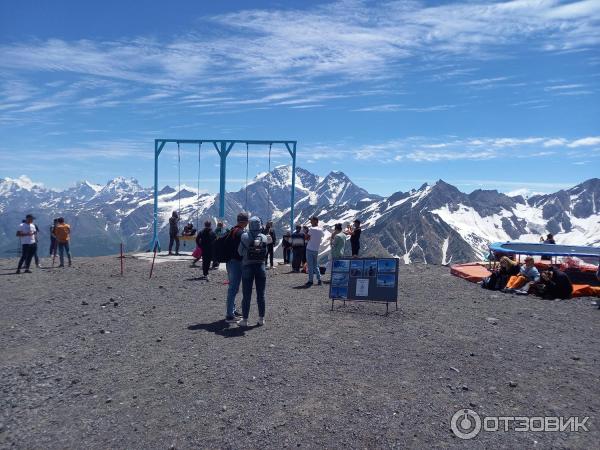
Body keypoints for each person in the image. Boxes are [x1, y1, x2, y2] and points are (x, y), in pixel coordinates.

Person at [237, 216, 268, 327]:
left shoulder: (245, 236)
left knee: (246, 294)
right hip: (260, 267)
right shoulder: (264, 237)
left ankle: (245, 320)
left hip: (247, 266)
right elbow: (265, 253)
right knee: (261, 294)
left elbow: (240, 252)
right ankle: (261, 319)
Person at [224, 212, 249, 323]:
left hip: (229, 261)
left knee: (232, 287)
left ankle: (232, 310)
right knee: (233, 288)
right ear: (246, 222)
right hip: (236, 262)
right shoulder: (241, 233)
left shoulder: (232, 230)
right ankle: (229, 315)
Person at [305, 216, 324, 287]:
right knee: (315, 265)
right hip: (316, 249)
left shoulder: (311, 229)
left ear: (315, 221)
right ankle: (319, 279)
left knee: (310, 266)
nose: (310, 222)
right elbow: (321, 236)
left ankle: (310, 281)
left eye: (312, 220)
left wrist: (307, 234)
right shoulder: (320, 229)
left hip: (309, 248)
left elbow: (306, 238)